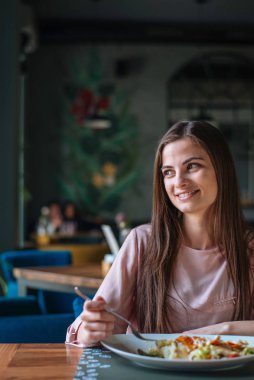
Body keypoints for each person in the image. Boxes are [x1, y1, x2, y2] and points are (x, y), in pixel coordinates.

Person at [66, 120, 254, 347]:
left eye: (192, 166)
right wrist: (91, 329)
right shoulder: (142, 243)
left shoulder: (249, 248)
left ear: (222, 169)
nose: (179, 182)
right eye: (168, 172)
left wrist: (226, 329)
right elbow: (97, 334)